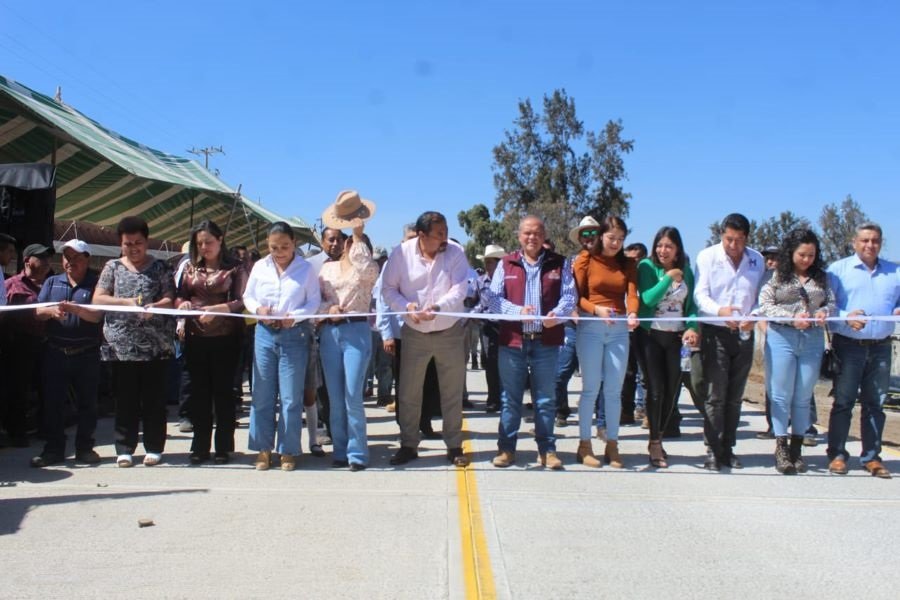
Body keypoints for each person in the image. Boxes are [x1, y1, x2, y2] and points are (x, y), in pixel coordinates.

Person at [381, 211, 470, 467]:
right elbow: (388, 288)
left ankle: (454, 446)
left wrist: (440, 307)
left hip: (449, 331)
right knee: (409, 392)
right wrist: (406, 307)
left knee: (451, 392)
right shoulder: (400, 254)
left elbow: (460, 288)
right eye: (438, 233)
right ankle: (408, 445)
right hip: (414, 333)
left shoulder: (455, 252)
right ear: (422, 235)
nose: (445, 238)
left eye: (445, 231)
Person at [486, 216, 574, 469]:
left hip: (546, 343)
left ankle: (547, 450)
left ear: (544, 235)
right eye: (527, 233)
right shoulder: (506, 263)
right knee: (510, 399)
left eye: (537, 233)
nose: (532, 237)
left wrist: (556, 315)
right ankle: (506, 449)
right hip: (513, 341)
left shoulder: (560, 264)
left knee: (545, 399)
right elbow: (493, 299)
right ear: (519, 236)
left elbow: (569, 296)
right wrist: (517, 312)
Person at [93, 216, 176, 467]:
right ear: (121, 243)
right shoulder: (112, 268)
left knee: (154, 399)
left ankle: (154, 446)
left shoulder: (160, 267)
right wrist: (127, 303)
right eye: (128, 244)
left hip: (155, 346)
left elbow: (170, 298)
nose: (133, 248)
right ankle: (124, 447)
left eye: (138, 243)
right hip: (121, 347)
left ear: (146, 241)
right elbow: (98, 298)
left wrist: (156, 306)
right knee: (125, 399)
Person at [243, 221, 320, 471]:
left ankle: (288, 449)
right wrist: (258, 309)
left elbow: (314, 302)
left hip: (293, 335)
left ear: (293, 244)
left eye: (285, 246)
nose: (279, 252)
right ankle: (262, 449)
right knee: (262, 394)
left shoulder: (305, 269)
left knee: (290, 396)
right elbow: (248, 296)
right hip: (264, 334)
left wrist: (295, 316)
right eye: (274, 247)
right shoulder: (259, 266)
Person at [825, 222, 900, 478]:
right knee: (844, 402)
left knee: (876, 404)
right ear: (854, 242)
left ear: (881, 243)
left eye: (875, 240)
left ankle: (872, 457)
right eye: (865, 240)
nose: (870, 245)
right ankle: (836, 454)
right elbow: (825, 308)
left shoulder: (895, 271)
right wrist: (846, 316)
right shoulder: (838, 270)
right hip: (848, 347)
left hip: (881, 346)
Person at [758, 228, 834, 475]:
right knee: (780, 393)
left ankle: (797, 448)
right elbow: (765, 305)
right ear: (791, 253)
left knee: (802, 394)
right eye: (802, 254)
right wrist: (791, 318)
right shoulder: (777, 277)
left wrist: (824, 313)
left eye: (811, 255)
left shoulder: (822, 277)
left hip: (812, 339)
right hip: (782, 337)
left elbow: (831, 302)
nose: (806, 260)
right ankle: (781, 446)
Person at [693, 213, 765, 471]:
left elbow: (760, 298)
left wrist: (753, 316)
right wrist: (719, 311)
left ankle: (728, 448)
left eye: (739, 240)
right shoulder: (707, 256)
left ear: (746, 238)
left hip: (744, 334)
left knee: (735, 397)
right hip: (715, 332)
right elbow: (699, 295)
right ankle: (712, 449)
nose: (733, 245)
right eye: (729, 239)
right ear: (721, 235)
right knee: (716, 394)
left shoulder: (757, 260)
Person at [176, 220, 248, 465]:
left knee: (224, 394)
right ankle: (199, 445)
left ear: (220, 240)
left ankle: (223, 446)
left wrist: (219, 308)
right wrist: (182, 305)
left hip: (226, 339)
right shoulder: (189, 269)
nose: (204, 247)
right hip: (195, 338)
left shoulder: (235, 268)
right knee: (199, 394)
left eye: (208, 242)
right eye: (199, 243)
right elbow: (180, 296)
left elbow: (242, 300)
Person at [318, 190, 380, 471]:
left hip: (356, 330)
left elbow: (369, 273)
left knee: (353, 394)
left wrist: (358, 237)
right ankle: (340, 449)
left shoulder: (363, 267)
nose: (351, 247)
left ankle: (358, 452)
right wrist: (326, 310)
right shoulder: (325, 270)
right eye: (349, 242)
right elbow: (315, 302)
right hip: (330, 333)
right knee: (334, 394)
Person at [572, 215, 639, 469]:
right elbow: (576, 297)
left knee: (613, 389)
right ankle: (584, 444)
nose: (616, 243)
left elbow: (632, 294)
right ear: (601, 236)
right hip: (591, 327)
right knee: (590, 388)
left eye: (621, 239)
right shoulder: (585, 259)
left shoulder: (627, 263)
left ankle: (612, 444)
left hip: (620, 330)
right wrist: (596, 310)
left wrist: (632, 312)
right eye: (612, 238)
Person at [30, 240, 103, 467]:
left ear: (87, 258)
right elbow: (37, 311)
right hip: (56, 352)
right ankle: (53, 450)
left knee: (88, 404)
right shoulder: (52, 281)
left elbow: (98, 316)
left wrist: (76, 310)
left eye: (76, 257)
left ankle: (84, 448)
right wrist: (50, 312)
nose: (70, 261)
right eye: (66, 257)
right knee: (53, 404)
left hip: (86, 353)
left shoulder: (96, 284)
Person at [636, 226, 699, 468]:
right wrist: (668, 277)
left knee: (672, 391)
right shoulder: (646, 267)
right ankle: (653, 442)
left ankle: (660, 436)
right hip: (650, 336)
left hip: (676, 339)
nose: (663, 250)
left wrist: (693, 327)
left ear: (677, 250)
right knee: (655, 390)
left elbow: (691, 305)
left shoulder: (688, 272)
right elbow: (648, 299)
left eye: (668, 246)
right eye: (659, 245)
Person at [2, 242, 53, 447]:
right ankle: (17, 432)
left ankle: (45, 428)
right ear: (27, 261)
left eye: (48, 258)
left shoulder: (52, 284)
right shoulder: (11, 284)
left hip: (47, 343)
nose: (46, 262)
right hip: (19, 343)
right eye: (41, 258)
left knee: (48, 388)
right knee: (18, 389)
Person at [474, 244, 506, 413]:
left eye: (490, 262)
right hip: (488, 327)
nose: (487, 265)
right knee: (491, 364)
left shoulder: (509, 281)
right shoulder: (480, 281)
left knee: (507, 364)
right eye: (485, 262)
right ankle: (493, 398)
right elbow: (477, 302)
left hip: (507, 326)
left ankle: (506, 397)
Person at [621, 242, 648, 426]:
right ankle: (626, 412)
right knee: (627, 373)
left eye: (637, 259)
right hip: (625, 330)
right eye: (629, 259)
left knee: (645, 373)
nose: (633, 263)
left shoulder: (649, 277)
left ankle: (646, 411)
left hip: (645, 330)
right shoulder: (622, 277)